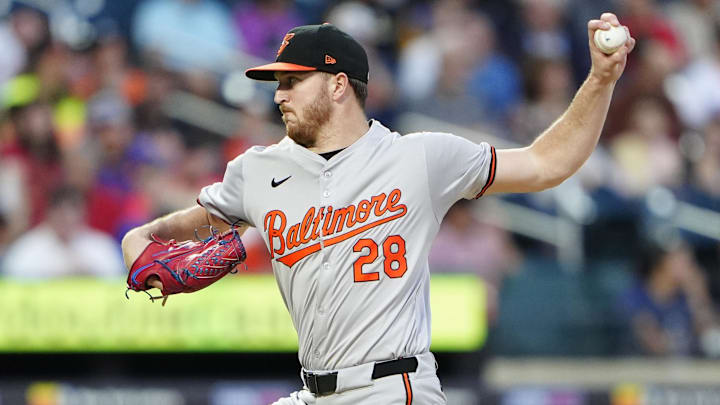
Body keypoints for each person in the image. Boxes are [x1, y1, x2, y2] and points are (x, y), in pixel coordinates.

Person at [122, 15, 635, 405]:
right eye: (278, 83)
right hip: (313, 390)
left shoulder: (420, 158)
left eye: (292, 81)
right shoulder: (257, 170)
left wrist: (600, 80)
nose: (279, 96)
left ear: (338, 84)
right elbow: (179, 225)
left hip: (393, 387)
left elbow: (547, 163)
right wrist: (138, 242)